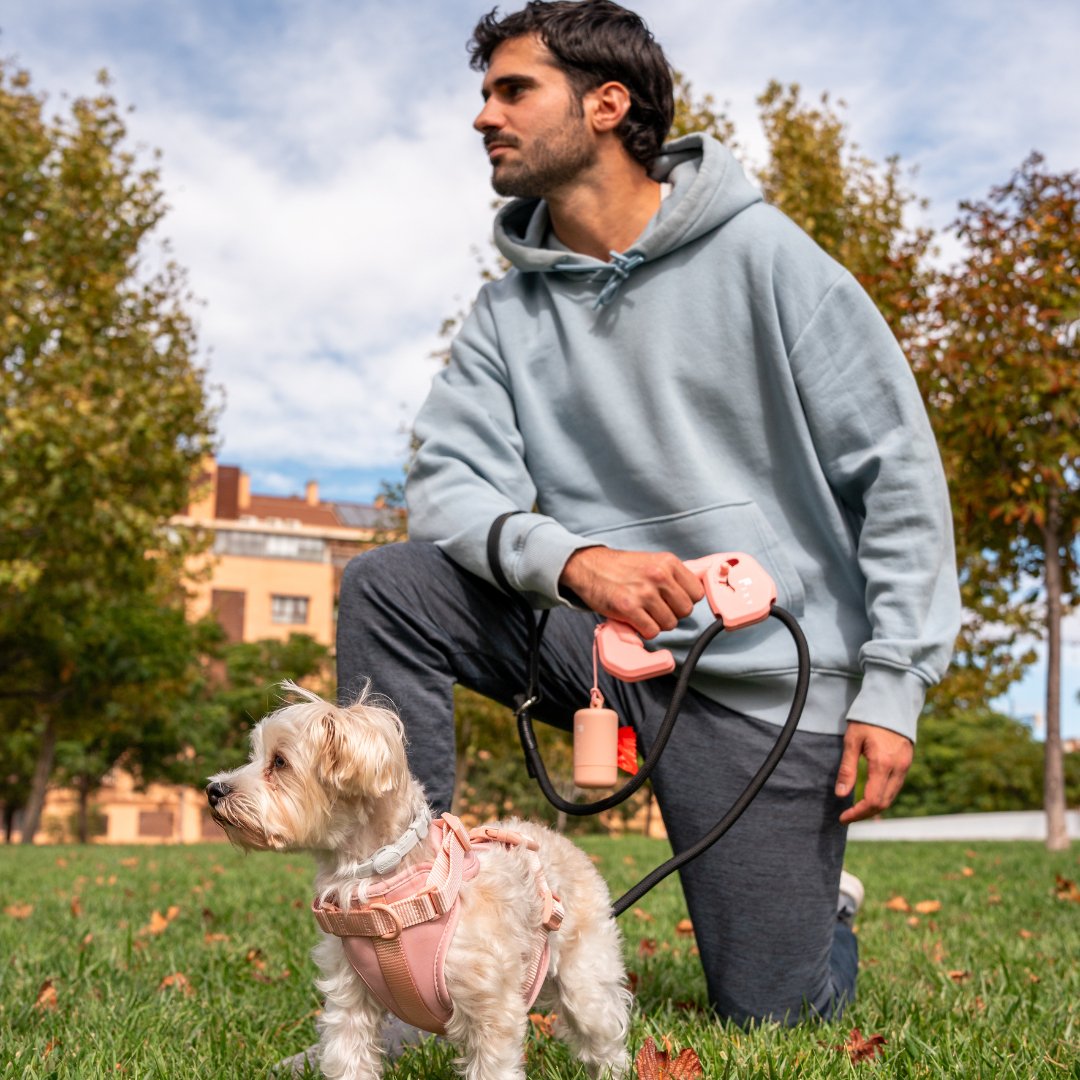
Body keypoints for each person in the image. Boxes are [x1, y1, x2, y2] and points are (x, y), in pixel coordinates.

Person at [335, 0, 960, 1040]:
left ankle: (820, 919)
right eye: (483, 93)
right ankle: (411, 921)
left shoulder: (767, 258)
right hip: (603, 646)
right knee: (390, 586)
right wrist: (578, 561)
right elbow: (449, 486)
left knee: (773, 1012)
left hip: (764, 678)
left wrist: (893, 683)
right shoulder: (506, 314)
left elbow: (894, 470)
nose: (484, 116)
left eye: (512, 89)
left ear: (607, 104)